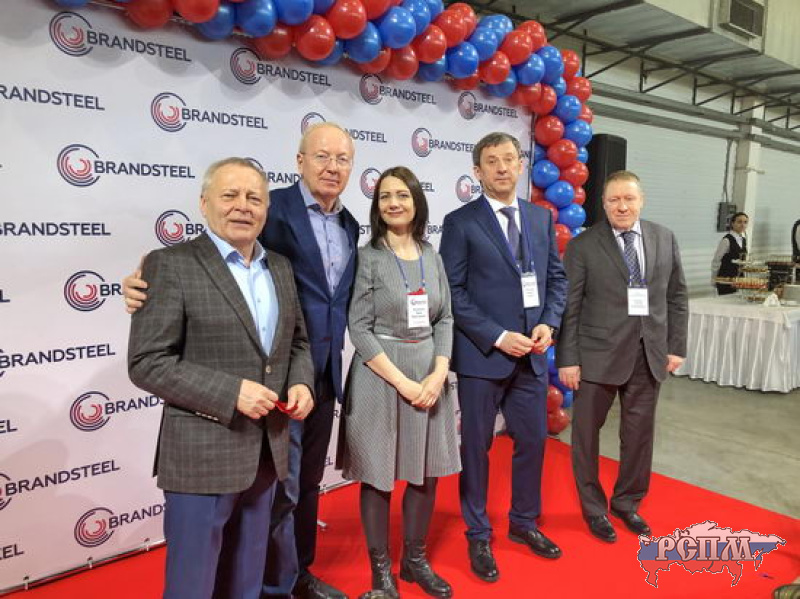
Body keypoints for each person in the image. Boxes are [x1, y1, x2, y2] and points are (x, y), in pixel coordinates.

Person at [123, 123, 359, 599]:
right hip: (206, 446)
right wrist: (232, 393)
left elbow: (297, 338)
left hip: (281, 424)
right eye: (229, 196)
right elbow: (147, 361)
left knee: (258, 555)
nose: (243, 206)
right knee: (195, 576)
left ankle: (289, 580)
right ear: (204, 203)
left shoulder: (296, 256)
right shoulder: (173, 264)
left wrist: (302, 381)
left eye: (253, 198)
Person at [438, 132, 568, 583]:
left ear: (520, 164)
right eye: (491, 161)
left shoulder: (540, 218)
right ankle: (478, 532)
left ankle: (524, 522)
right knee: (477, 447)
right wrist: (496, 336)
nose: (502, 167)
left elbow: (555, 279)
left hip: (532, 356)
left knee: (533, 441)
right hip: (482, 358)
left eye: (509, 159)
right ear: (477, 171)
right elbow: (452, 291)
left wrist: (548, 323)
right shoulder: (461, 223)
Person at [341, 167, 460, 599]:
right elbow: (359, 327)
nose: (394, 203)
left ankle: (414, 560)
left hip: (429, 372)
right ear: (377, 207)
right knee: (378, 476)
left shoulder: (432, 254)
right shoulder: (368, 256)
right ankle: (381, 572)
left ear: (416, 202)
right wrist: (403, 383)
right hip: (380, 376)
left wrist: (438, 372)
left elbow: (445, 318)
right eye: (385, 196)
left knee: (425, 472)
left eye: (403, 195)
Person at [557, 170, 688, 544]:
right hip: (596, 356)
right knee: (586, 436)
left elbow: (677, 296)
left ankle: (627, 502)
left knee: (639, 436)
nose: (622, 206)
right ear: (603, 204)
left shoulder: (664, 237)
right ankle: (594, 509)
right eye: (614, 200)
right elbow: (570, 306)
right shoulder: (584, 246)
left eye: (629, 198)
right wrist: (568, 359)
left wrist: (675, 346)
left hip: (648, 354)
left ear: (641, 200)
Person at [711, 211, 748, 295]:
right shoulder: (726, 240)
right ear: (732, 223)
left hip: (739, 280)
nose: (743, 225)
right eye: (739, 222)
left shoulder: (743, 240)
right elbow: (716, 260)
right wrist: (714, 278)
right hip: (726, 280)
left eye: (745, 222)